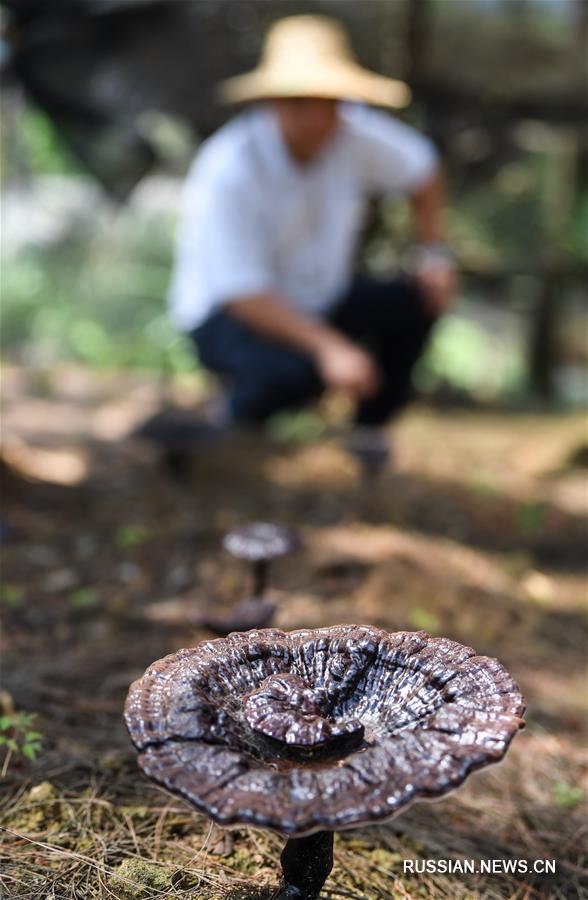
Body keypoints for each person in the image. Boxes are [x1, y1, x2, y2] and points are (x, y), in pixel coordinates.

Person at [168, 14, 455, 466]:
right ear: (273, 101)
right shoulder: (229, 169)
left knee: (414, 298)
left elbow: (423, 168)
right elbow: (241, 292)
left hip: (317, 300)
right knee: (295, 374)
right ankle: (221, 427)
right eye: (300, 100)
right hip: (228, 315)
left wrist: (434, 253)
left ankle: (370, 431)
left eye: (329, 101)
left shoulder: (354, 135)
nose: (316, 116)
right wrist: (331, 348)